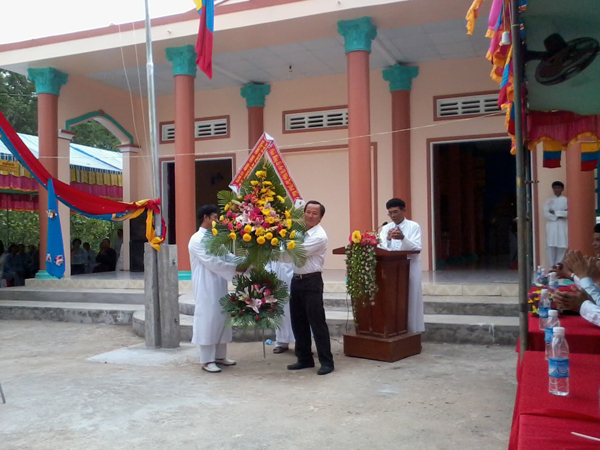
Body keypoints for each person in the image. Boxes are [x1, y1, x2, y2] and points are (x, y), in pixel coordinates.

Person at [189, 204, 241, 373]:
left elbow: (226, 256)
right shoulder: (197, 239)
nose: (217, 221)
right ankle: (206, 360)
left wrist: (243, 263)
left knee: (222, 317)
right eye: (215, 217)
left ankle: (220, 355)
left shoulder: (214, 237)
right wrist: (235, 269)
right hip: (205, 284)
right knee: (208, 318)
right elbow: (212, 262)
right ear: (206, 217)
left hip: (219, 283)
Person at [285, 200, 334, 375]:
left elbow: (296, 252)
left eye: (315, 213)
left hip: (312, 281)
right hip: (296, 280)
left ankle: (327, 362)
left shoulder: (319, 236)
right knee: (298, 322)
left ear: (320, 218)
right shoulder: (299, 232)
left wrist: (274, 244)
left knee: (317, 322)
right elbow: (287, 256)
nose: (310, 216)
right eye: (308, 212)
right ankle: (304, 358)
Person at [379, 198, 425, 334]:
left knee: (410, 299)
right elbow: (380, 247)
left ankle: (412, 331)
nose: (393, 216)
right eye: (390, 213)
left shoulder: (413, 226)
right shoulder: (386, 228)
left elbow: (417, 247)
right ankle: (396, 329)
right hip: (391, 270)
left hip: (410, 267)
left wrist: (403, 238)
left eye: (395, 212)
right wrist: (387, 239)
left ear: (403, 210)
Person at [265, 261, 295, 353]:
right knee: (281, 313)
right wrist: (268, 274)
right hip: (277, 279)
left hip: (294, 277)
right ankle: (281, 342)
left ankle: (301, 344)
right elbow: (267, 261)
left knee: (298, 314)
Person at [543, 181, 568, 267]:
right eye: (555, 188)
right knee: (550, 246)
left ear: (562, 189)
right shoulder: (548, 201)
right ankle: (551, 268)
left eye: (558, 188)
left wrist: (555, 212)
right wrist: (560, 214)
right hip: (551, 225)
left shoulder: (566, 200)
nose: (556, 189)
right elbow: (546, 213)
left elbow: (568, 213)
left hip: (562, 225)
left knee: (562, 246)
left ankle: (558, 267)